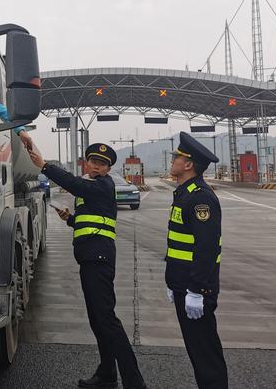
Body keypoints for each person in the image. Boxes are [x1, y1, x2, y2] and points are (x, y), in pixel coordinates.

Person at [28, 142, 146, 389]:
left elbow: (74, 184)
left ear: (108, 169)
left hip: (99, 259)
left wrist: (45, 166)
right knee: (98, 320)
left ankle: (135, 382)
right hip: (90, 258)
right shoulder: (91, 190)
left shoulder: (102, 185)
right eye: (93, 162)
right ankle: (107, 373)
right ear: (87, 163)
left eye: (102, 164)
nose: (96, 167)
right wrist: (71, 219)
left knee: (107, 320)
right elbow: (94, 220)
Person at [166, 131, 228, 389]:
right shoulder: (185, 193)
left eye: (177, 157)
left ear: (188, 164)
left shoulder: (200, 197)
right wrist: (173, 283)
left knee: (205, 353)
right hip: (184, 284)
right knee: (197, 350)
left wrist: (196, 290)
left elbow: (207, 248)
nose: (173, 161)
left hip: (196, 289)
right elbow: (180, 244)